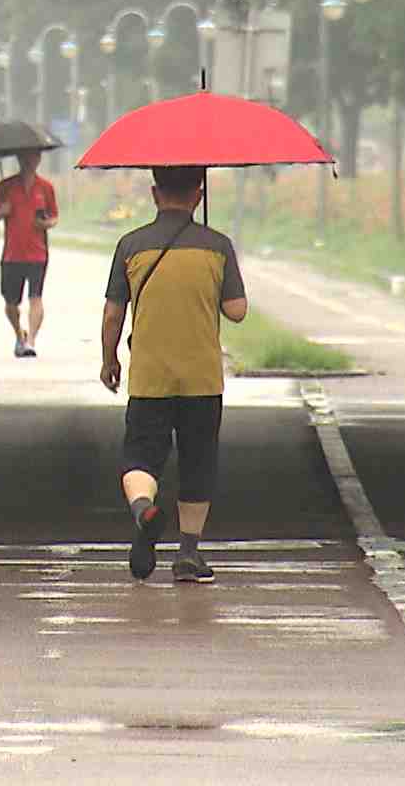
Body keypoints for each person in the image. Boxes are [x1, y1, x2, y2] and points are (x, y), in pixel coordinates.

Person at [99, 165, 248, 583]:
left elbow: (112, 314)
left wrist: (109, 360)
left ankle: (144, 510)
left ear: (154, 193)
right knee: (198, 463)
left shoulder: (131, 246)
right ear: (198, 195)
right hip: (202, 378)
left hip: (150, 377)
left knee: (141, 457)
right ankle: (188, 555)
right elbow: (237, 311)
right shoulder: (218, 246)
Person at [0, 149, 59, 358]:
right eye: (25, 157)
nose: (29, 161)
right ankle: (20, 334)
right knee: (11, 303)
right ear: (19, 159)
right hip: (12, 254)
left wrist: (45, 223)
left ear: (39, 159)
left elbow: (54, 216)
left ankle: (31, 342)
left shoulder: (45, 187)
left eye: (33, 157)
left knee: (36, 297)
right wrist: (4, 211)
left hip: (38, 253)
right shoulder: (5, 186)